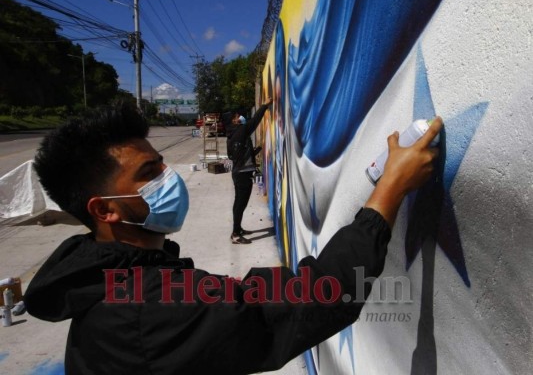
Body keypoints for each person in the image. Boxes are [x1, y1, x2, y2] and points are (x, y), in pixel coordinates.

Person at [24, 105, 442, 375]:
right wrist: (387, 192)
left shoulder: (105, 278)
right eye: (149, 173)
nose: (169, 177)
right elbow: (315, 299)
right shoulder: (147, 308)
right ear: (105, 210)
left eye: (162, 163)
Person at [224, 98, 273, 244]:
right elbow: (255, 121)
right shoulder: (240, 131)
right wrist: (265, 105)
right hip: (242, 174)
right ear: (233, 121)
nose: (240, 117)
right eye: (236, 116)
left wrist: (254, 150)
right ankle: (235, 235)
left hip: (241, 173)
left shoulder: (231, 135)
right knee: (240, 203)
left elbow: (232, 155)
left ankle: (238, 229)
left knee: (241, 202)